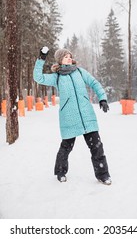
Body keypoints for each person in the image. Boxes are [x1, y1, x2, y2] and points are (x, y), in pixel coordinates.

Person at [33, 47, 111, 185]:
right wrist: (42, 58)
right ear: (60, 60)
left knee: (97, 147)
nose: (69, 58)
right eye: (65, 56)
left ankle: (103, 175)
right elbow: (38, 77)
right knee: (66, 148)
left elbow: (94, 83)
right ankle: (60, 172)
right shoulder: (57, 77)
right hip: (69, 118)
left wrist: (102, 98)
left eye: (70, 56)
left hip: (87, 116)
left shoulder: (80, 72)